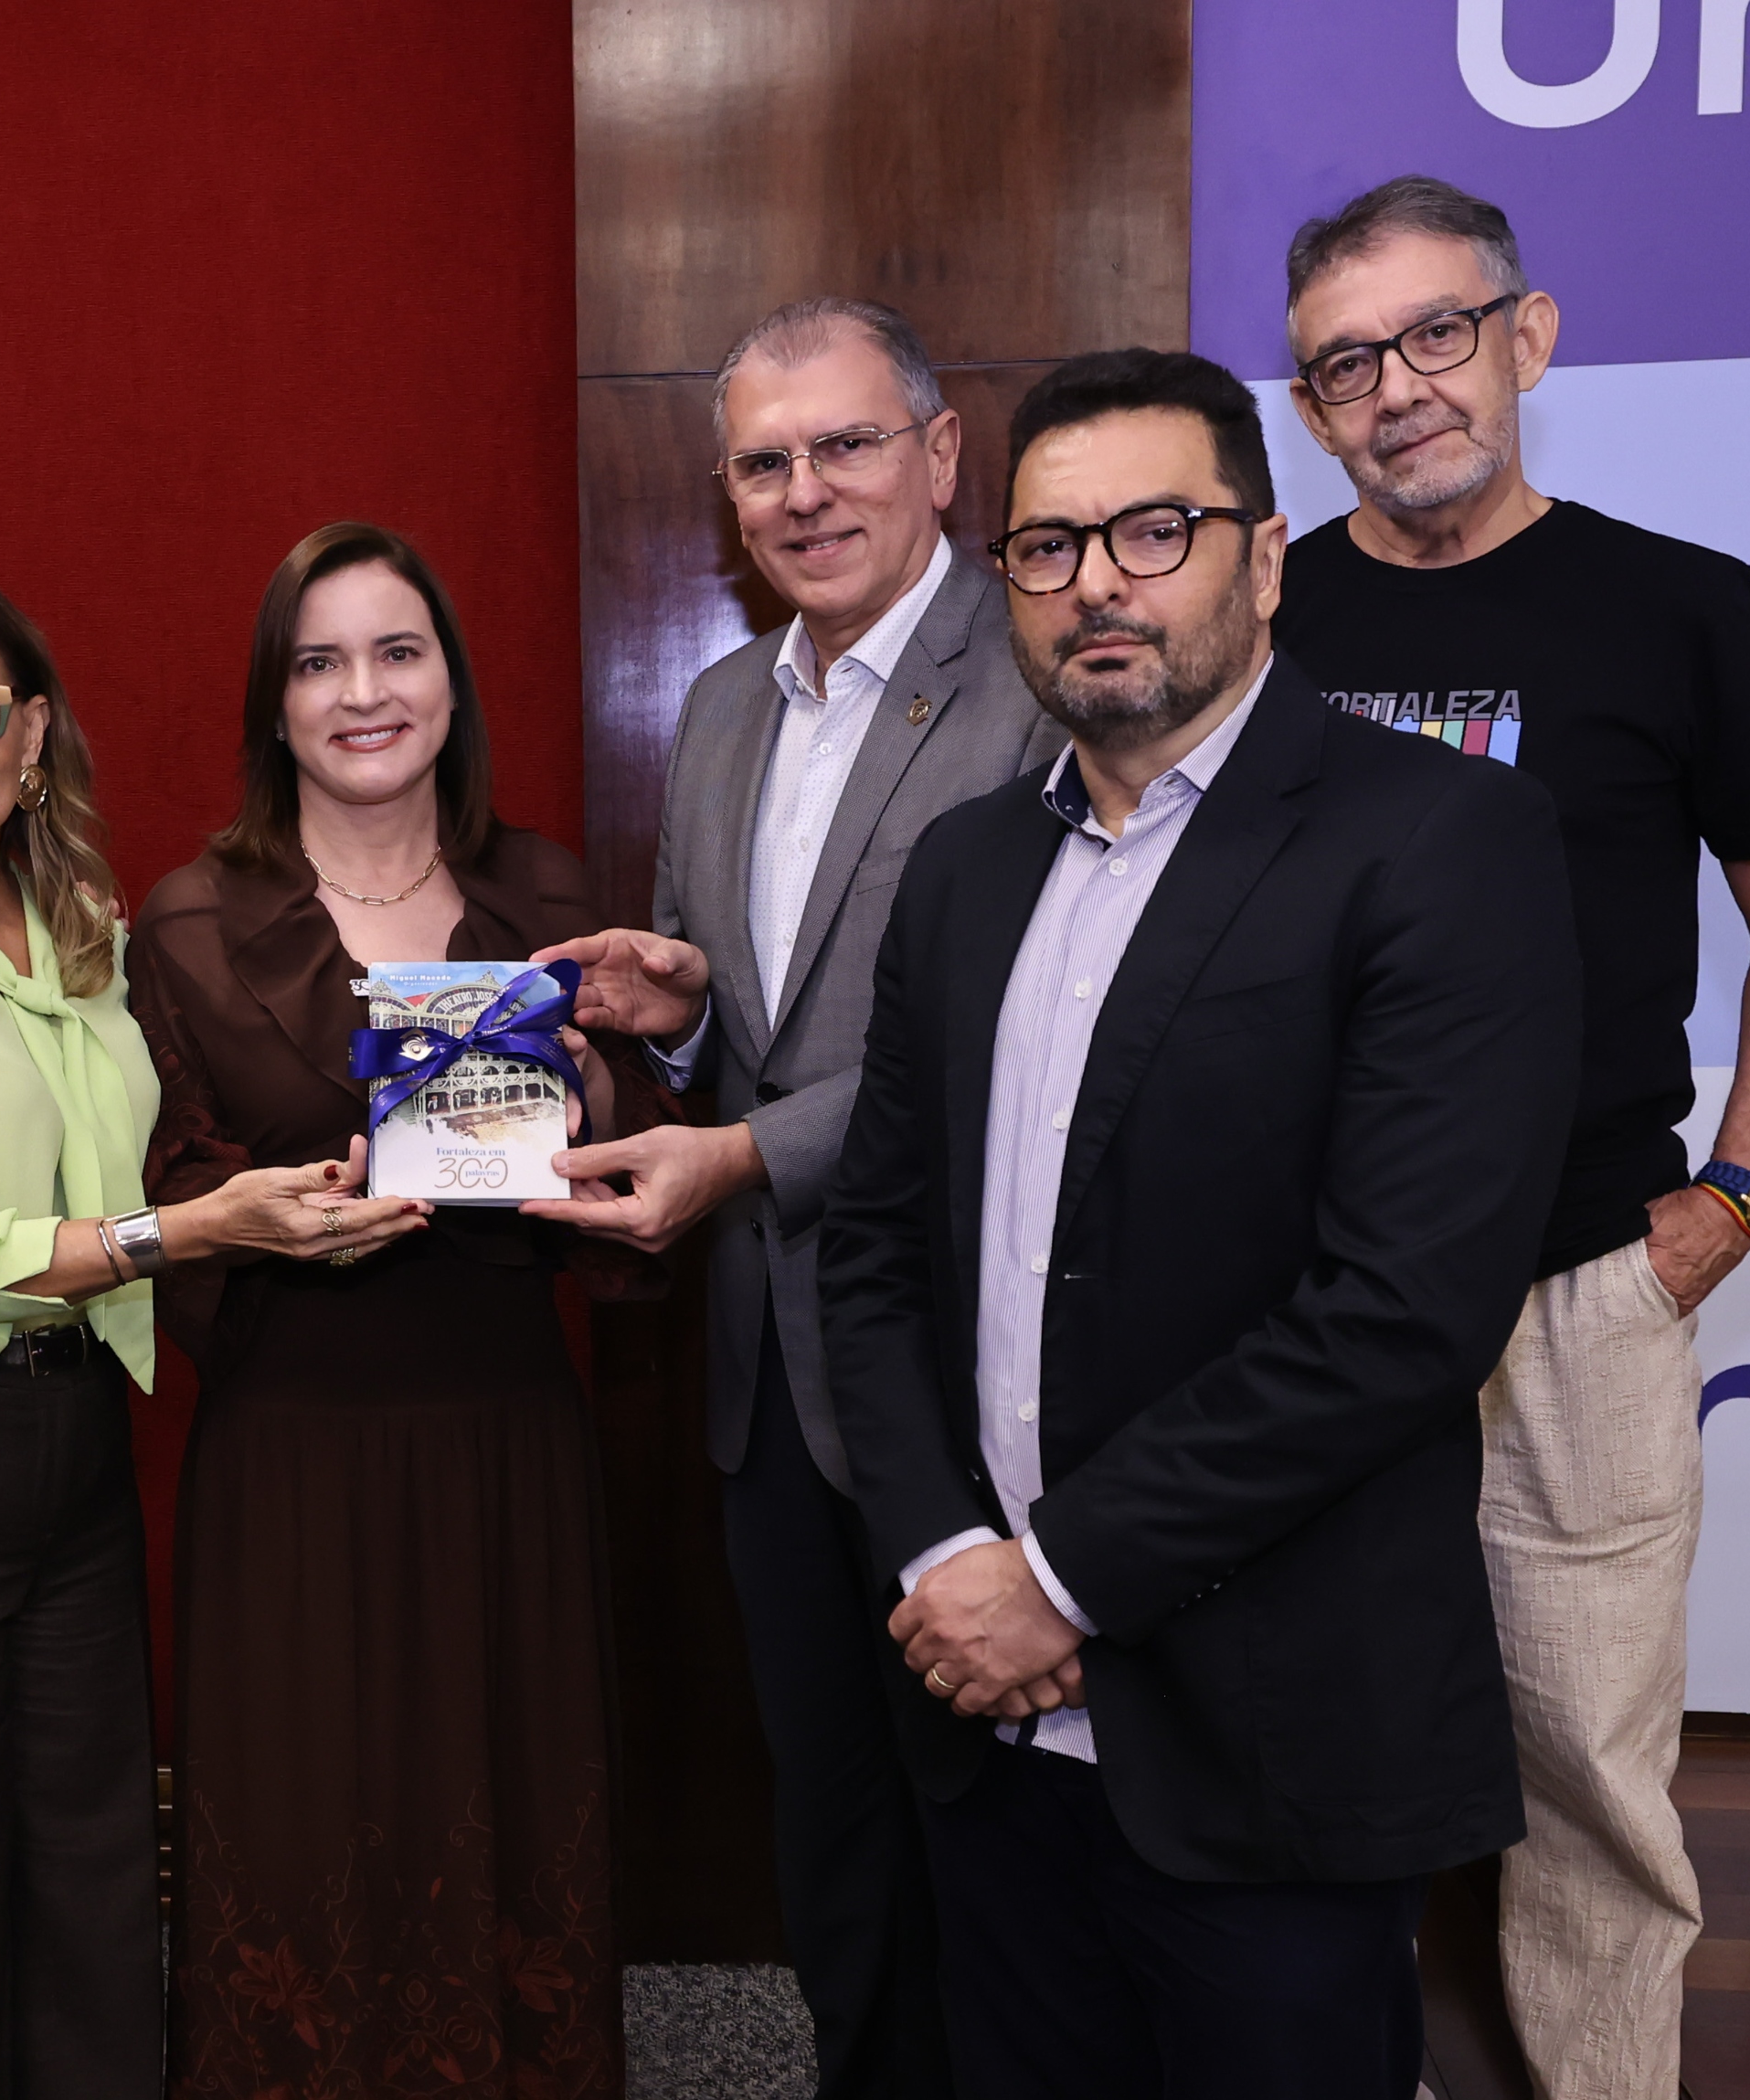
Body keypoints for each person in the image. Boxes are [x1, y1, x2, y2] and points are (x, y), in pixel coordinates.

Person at [825, 347, 1581, 2098]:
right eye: (1047, 545)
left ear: (1267, 558)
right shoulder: (963, 873)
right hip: (985, 1726)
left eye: (1156, 530)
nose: (1097, 579)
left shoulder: (1443, 841)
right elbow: (872, 1252)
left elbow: (1398, 1312)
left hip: (1271, 1739)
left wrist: (1063, 1578)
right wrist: (949, 1564)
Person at [1271, 175, 1750, 2100]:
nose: (1398, 390)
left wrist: (1731, 1201)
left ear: (1530, 336)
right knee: (1308, 1739)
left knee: (1587, 1772)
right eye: (1345, 362)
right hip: (1311, 1292)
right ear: (1307, 405)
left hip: (1585, 1287)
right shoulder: (1261, 611)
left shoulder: (1675, 605)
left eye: (1438, 334)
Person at [0, 563, 409, 2100]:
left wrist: (356, 1158)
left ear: (33, 729)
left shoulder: (87, 931)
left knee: (93, 1887)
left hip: (75, 1457)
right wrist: (183, 1235)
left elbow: (190, 1132)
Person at [529, 297, 1066, 2100]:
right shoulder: (715, 710)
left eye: (842, 446)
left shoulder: (1039, 675)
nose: (802, 492)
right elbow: (766, 1030)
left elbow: (1002, 1038)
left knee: (998, 1854)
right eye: (761, 463)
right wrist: (687, 1024)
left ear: (938, 455)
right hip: (770, 1377)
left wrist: (741, 1155)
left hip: (970, 1375)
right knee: (832, 1842)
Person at [137, 522, 660, 2100]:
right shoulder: (188, 917)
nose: (363, 692)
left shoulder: (548, 894)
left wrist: (592, 1089)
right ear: (273, 704)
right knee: (297, 1834)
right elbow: (164, 1185)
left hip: (503, 1439)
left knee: (509, 1820)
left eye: (398, 651)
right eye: (319, 661)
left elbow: (628, 1201)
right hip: (297, 1450)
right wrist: (280, 1215)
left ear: (451, 681)